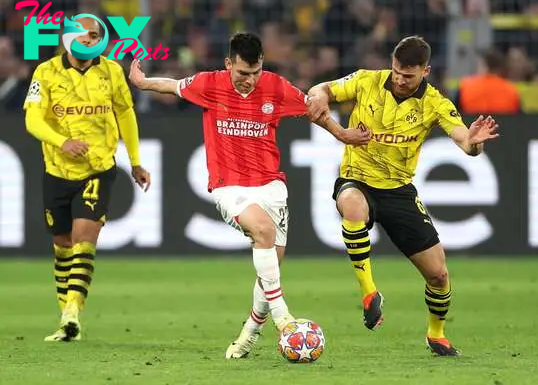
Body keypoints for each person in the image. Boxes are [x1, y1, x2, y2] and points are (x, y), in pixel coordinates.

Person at [128, 32, 370, 359]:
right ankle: (284, 318)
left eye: (255, 73)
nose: (248, 80)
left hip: (271, 186)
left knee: (269, 267)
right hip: (230, 186)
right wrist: (142, 82)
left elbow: (314, 110)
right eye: (242, 73)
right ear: (229, 64)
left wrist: (343, 134)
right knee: (264, 232)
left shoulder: (276, 86)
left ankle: (248, 333)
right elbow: (171, 85)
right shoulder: (209, 84)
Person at [307, 35, 499, 356]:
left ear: (425, 72)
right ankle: (370, 294)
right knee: (352, 206)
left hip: (398, 191)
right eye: (396, 70)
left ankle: (436, 334)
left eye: (408, 75)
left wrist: (475, 142)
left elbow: (465, 142)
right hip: (358, 178)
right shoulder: (367, 80)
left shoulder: (436, 103)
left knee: (438, 274)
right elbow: (320, 90)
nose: (399, 78)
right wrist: (321, 102)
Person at [23, 17, 151, 342]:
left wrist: (135, 161)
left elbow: (125, 113)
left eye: (97, 36)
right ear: (70, 39)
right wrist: (61, 141)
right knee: (62, 245)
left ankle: (72, 313)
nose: (92, 41)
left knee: (84, 238)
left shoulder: (110, 71)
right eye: (86, 35)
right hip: (57, 171)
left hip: (98, 168)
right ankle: (67, 320)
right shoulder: (46, 72)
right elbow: (33, 119)